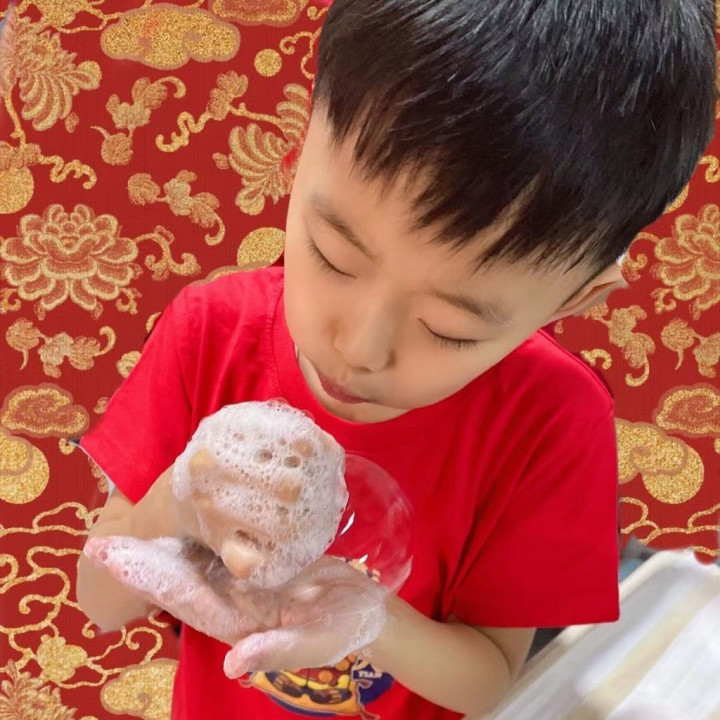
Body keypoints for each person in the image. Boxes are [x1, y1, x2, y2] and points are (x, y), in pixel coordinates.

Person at [75, 1, 717, 718]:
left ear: (577, 298)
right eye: (332, 256)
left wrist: (371, 618)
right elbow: (99, 600)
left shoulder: (552, 422)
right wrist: (177, 504)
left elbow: (486, 679)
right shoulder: (211, 332)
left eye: (449, 329)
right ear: (302, 139)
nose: (359, 348)